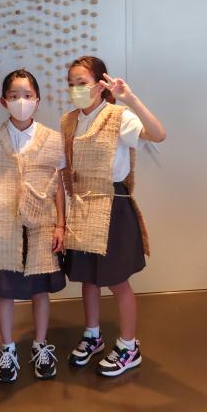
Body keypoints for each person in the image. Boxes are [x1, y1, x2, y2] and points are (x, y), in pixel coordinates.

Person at [61, 56, 166, 377]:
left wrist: (130, 98)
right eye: (71, 84)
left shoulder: (118, 116)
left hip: (112, 205)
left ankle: (129, 346)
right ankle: (93, 335)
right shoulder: (69, 121)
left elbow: (158, 134)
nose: (76, 89)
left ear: (100, 84)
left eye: (82, 83)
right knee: (88, 278)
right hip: (81, 206)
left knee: (118, 280)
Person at [0, 69, 67, 382]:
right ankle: (7, 348)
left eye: (27, 95)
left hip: (41, 223)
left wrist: (61, 225)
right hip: (2, 225)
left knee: (40, 290)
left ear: (37, 100)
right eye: (14, 96)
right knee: (5, 291)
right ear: (3, 101)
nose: (21, 101)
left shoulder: (53, 139)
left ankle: (40, 344)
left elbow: (58, 185)